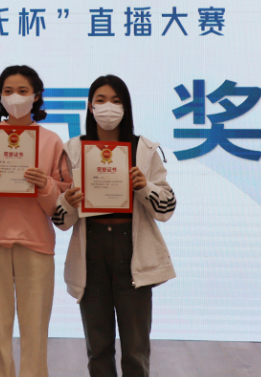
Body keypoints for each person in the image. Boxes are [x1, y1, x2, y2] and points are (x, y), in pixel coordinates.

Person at [52, 75, 176, 377]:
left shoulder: (143, 148)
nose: (108, 107)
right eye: (101, 100)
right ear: (90, 106)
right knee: (98, 349)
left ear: (126, 106)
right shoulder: (73, 149)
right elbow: (59, 219)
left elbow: (167, 208)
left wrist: (144, 187)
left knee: (135, 349)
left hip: (131, 250)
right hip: (91, 252)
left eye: (116, 101)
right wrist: (68, 201)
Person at [0, 65, 70, 377]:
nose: (15, 97)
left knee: (35, 331)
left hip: (36, 243)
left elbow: (60, 207)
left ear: (36, 96)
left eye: (23, 91)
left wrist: (45, 185)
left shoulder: (52, 141)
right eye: (8, 91)